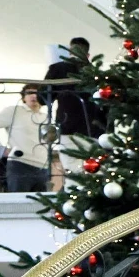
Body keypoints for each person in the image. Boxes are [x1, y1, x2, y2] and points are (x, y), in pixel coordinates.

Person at [44, 37, 105, 180]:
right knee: (96, 172)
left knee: (72, 172)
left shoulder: (58, 69)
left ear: (69, 51)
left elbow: (44, 97)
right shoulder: (97, 73)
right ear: (88, 54)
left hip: (68, 127)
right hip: (95, 128)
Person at [0, 84, 52, 192]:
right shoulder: (14, 111)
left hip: (43, 167)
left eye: (37, 93)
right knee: (18, 204)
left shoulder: (46, 117)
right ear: (23, 97)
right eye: (29, 93)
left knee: (39, 207)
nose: (34, 96)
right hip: (20, 164)